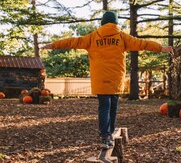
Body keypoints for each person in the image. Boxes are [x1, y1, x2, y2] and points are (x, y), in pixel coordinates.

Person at [41, 11, 173, 149]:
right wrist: (161, 48)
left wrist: (53, 45)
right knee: (113, 106)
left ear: (103, 22)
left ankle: (105, 137)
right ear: (115, 23)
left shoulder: (92, 37)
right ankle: (109, 134)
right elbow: (141, 44)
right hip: (116, 78)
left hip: (100, 78)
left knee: (104, 106)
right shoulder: (122, 37)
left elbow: (72, 42)